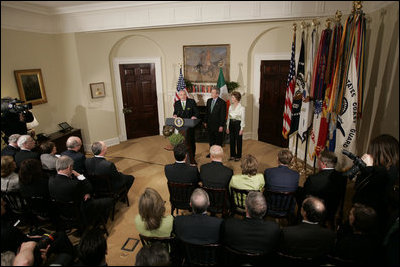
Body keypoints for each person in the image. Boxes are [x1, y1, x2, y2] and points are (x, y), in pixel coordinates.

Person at [49, 155, 113, 230]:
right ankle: (96, 223)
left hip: (62, 213)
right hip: (79, 212)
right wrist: (79, 175)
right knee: (109, 201)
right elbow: (89, 187)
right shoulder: (74, 184)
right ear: (69, 167)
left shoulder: (51, 180)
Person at [353, 134, 399, 233]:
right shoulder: (379, 170)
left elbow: (372, 192)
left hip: (373, 220)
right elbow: (357, 187)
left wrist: (368, 169)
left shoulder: (391, 171)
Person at [300, 150, 346, 227]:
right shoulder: (343, 178)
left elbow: (305, 196)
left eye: (318, 160)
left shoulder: (313, 179)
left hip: (315, 212)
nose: (317, 162)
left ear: (323, 164)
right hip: (332, 211)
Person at [173, 90, 199, 165]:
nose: (183, 96)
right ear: (179, 96)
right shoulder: (177, 103)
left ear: (186, 95)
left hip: (190, 126)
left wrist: (194, 116)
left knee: (191, 142)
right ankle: (182, 157)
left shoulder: (191, 102)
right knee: (182, 142)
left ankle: (192, 158)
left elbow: (196, 112)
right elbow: (175, 112)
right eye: (181, 95)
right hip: (180, 127)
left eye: (184, 94)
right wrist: (174, 115)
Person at [204, 88, 226, 158]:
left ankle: (218, 154)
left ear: (217, 94)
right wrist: (205, 121)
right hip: (210, 124)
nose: (211, 94)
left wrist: (221, 125)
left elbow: (223, 115)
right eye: (211, 93)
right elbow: (207, 112)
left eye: (213, 93)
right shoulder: (209, 101)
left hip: (218, 125)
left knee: (218, 141)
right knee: (211, 140)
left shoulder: (222, 102)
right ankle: (211, 153)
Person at [226, 91, 245, 161]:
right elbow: (228, 118)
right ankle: (232, 155)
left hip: (238, 125)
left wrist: (241, 129)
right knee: (232, 140)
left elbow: (243, 119)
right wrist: (227, 127)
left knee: (238, 141)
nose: (231, 98)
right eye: (232, 97)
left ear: (236, 98)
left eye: (233, 97)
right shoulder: (230, 107)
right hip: (231, 124)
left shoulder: (242, 108)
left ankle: (238, 156)